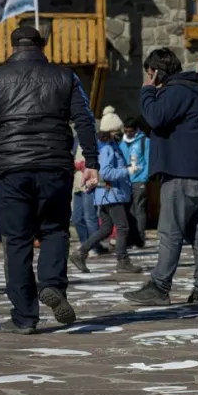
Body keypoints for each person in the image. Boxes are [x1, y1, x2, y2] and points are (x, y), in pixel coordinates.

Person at [0, 25, 100, 334]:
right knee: (54, 231)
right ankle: (52, 285)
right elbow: (84, 119)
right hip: (55, 167)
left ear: (12, 47)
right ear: (43, 45)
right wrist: (91, 161)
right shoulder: (66, 76)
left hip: (12, 169)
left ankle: (24, 316)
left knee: (17, 240)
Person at [124, 48, 198, 306]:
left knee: (170, 231)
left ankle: (159, 286)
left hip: (180, 173)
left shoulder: (177, 90)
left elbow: (155, 117)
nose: (148, 78)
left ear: (155, 73)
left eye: (149, 74)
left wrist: (147, 91)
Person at [69, 112, 142, 275]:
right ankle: (122, 261)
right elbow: (106, 172)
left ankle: (80, 253)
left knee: (106, 228)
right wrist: (127, 171)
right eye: (117, 129)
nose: (120, 132)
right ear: (111, 130)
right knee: (122, 227)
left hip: (107, 194)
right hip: (111, 193)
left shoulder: (109, 145)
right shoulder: (107, 148)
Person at [120, 114, 150, 248]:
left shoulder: (145, 141)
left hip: (139, 179)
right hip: (125, 179)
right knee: (128, 210)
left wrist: (144, 178)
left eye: (130, 131)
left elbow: (148, 160)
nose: (128, 133)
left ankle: (140, 237)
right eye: (125, 131)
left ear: (136, 129)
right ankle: (131, 236)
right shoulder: (122, 141)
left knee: (139, 208)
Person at [71, 141, 104, 255]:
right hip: (77, 183)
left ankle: (94, 246)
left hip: (89, 182)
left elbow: (98, 160)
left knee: (90, 216)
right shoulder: (75, 140)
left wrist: (83, 165)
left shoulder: (94, 140)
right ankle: (85, 244)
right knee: (76, 218)